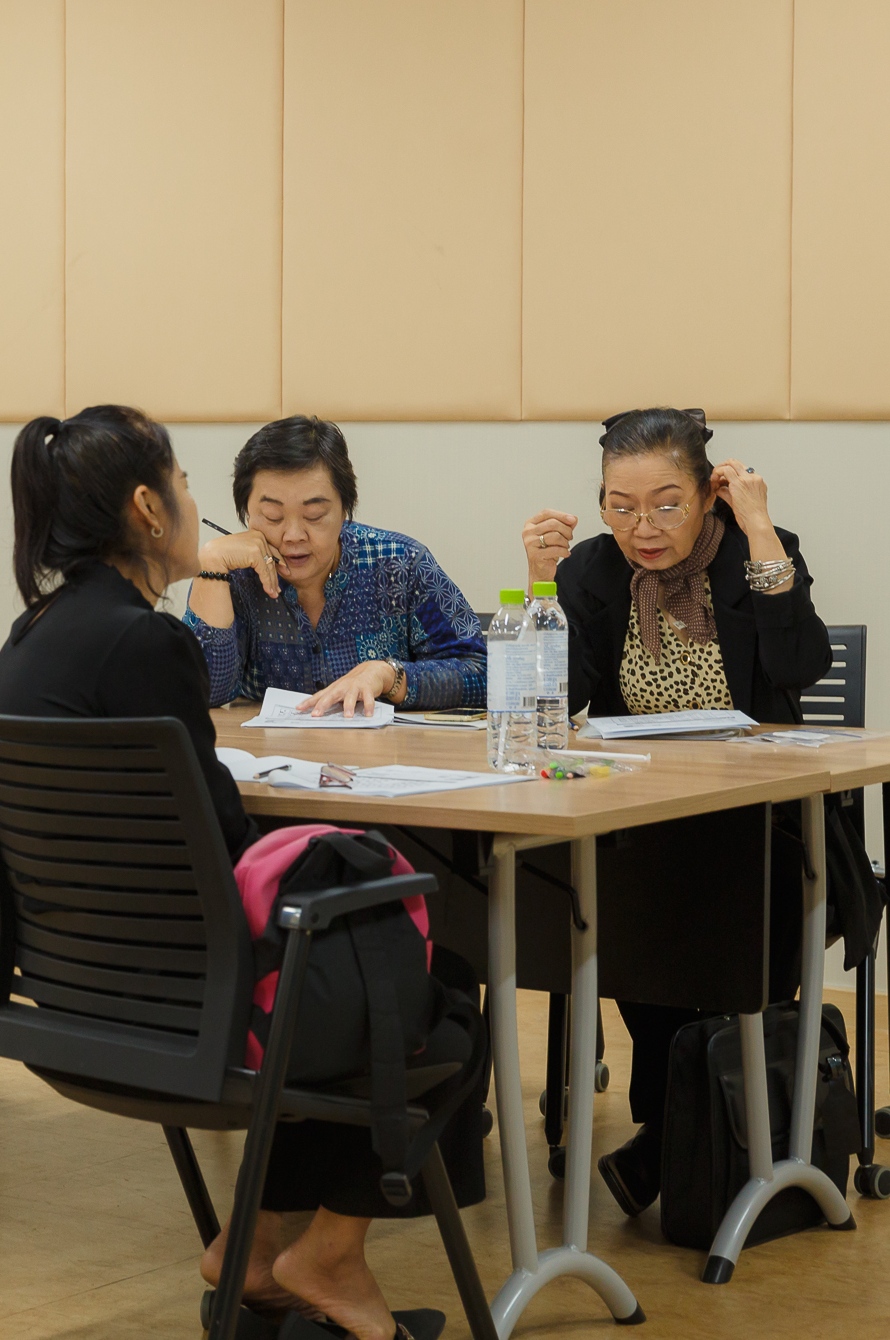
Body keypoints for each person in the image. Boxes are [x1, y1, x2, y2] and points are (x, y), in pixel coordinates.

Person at [0, 405, 426, 1340]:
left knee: (346, 964)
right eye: (185, 486)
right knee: (425, 984)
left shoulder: (34, 633)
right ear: (148, 508)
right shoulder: (144, 642)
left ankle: (252, 1246)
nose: (199, 508)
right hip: (189, 1011)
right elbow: (223, 851)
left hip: (72, 998)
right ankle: (327, 1255)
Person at [519, 406, 829, 1217]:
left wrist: (758, 529)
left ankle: (676, 1135)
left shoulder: (756, 549)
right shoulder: (593, 568)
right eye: (619, 507)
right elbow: (561, 697)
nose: (641, 528)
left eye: (664, 504)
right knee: (621, 903)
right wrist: (543, 585)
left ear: (707, 496)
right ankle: (679, 1125)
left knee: (695, 902)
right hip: (643, 813)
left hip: (761, 817)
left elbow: (799, 663)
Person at [185, 416, 485, 716]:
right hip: (268, 747)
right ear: (247, 514)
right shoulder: (231, 576)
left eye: (314, 515)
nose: (293, 536)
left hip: (381, 746)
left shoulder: (400, 564)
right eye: (273, 517)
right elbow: (197, 692)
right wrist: (210, 561)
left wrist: (389, 676)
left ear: (344, 510)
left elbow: (483, 673)